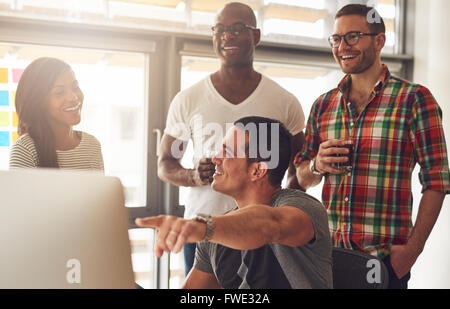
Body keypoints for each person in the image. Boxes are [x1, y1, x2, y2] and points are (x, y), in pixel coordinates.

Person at [295, 4, 450, 289]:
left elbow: (437, 181)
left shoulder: (415, 99)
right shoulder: (323, 105)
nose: (343, 46)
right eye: (337, 38)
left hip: (383, 263)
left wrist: (413, 250)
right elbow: (300, 180)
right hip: (327, 259)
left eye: (353, 36)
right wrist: (316, 164)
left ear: (379, 41)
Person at [158, 2, 305, 276]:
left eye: (238, 29)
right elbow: (165, 163)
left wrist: (284, 213)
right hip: (203, 231)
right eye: (220, 29)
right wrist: (193, 176)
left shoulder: (284, 102)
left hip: (262, 234)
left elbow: (298, 170)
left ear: (256, 36)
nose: (227, 36)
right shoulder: (188, 100)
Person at [137, 116, 332, 289]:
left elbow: (269, 224)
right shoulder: (215, 232)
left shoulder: (304, 209)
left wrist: (203, 228)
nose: (215, 158)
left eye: (227, 152)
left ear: (258, 170)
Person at [9, 57, 104, 171]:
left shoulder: (92, 145)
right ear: (39, 102)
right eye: (59, 92)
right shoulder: (25, 149)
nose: (73, 97)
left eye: (75, 87)